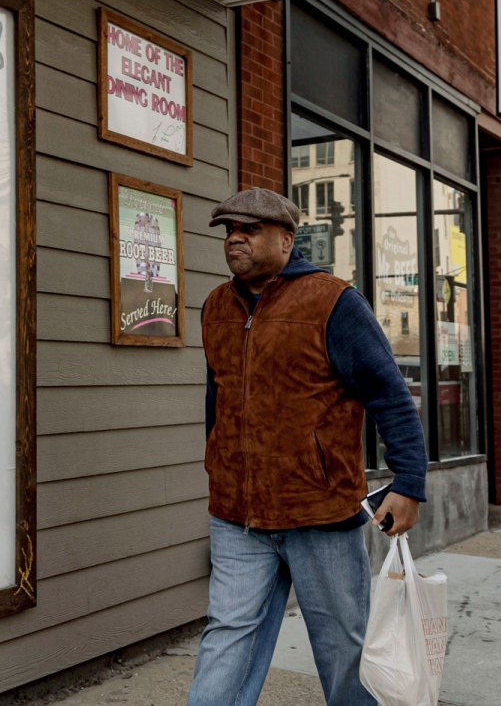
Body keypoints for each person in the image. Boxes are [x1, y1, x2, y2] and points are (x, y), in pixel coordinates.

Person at [189, 188, 428, 706]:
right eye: (229, 230)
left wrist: (408, 483)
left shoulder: (333, 302)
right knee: (226, 637)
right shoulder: (215, 307)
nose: (235, 239)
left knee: (344, 651)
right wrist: (218, 464)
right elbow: (220, 399)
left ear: (286, 239)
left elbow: (389, 395)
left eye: (249, 229)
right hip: (238, 515)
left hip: (319, 512)